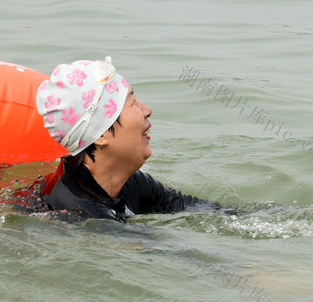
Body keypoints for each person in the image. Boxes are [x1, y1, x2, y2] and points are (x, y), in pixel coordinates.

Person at [30, 56, 229, 222]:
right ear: (101, 134)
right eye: (133, 102)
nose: (147, 110)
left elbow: (200, 209)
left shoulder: (131, 184)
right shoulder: (83, 215)